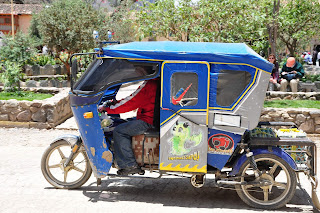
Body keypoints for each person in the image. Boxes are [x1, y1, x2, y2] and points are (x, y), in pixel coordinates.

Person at [98, 73, 159, 175]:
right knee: (124, 122)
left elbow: (131, 102)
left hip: (148, 121)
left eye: (138, 69)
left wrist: (109, 109)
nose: (136, 71)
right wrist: (116, 103)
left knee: (119, 131)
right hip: (152, 118)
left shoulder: (150, 85)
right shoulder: (156, 82)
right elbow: (132, 99)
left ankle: (129, 165)